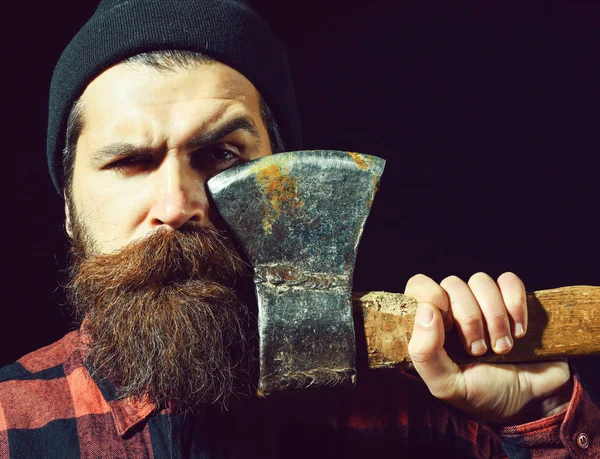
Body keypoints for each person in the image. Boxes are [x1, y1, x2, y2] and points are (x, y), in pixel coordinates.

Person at [0, 0, 597, 457]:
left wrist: (535, 418)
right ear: (69, 208)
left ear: (292, 184)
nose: (177, 204)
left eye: (223, 156)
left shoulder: (428, 419)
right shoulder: (9, 426)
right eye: (129, 161)